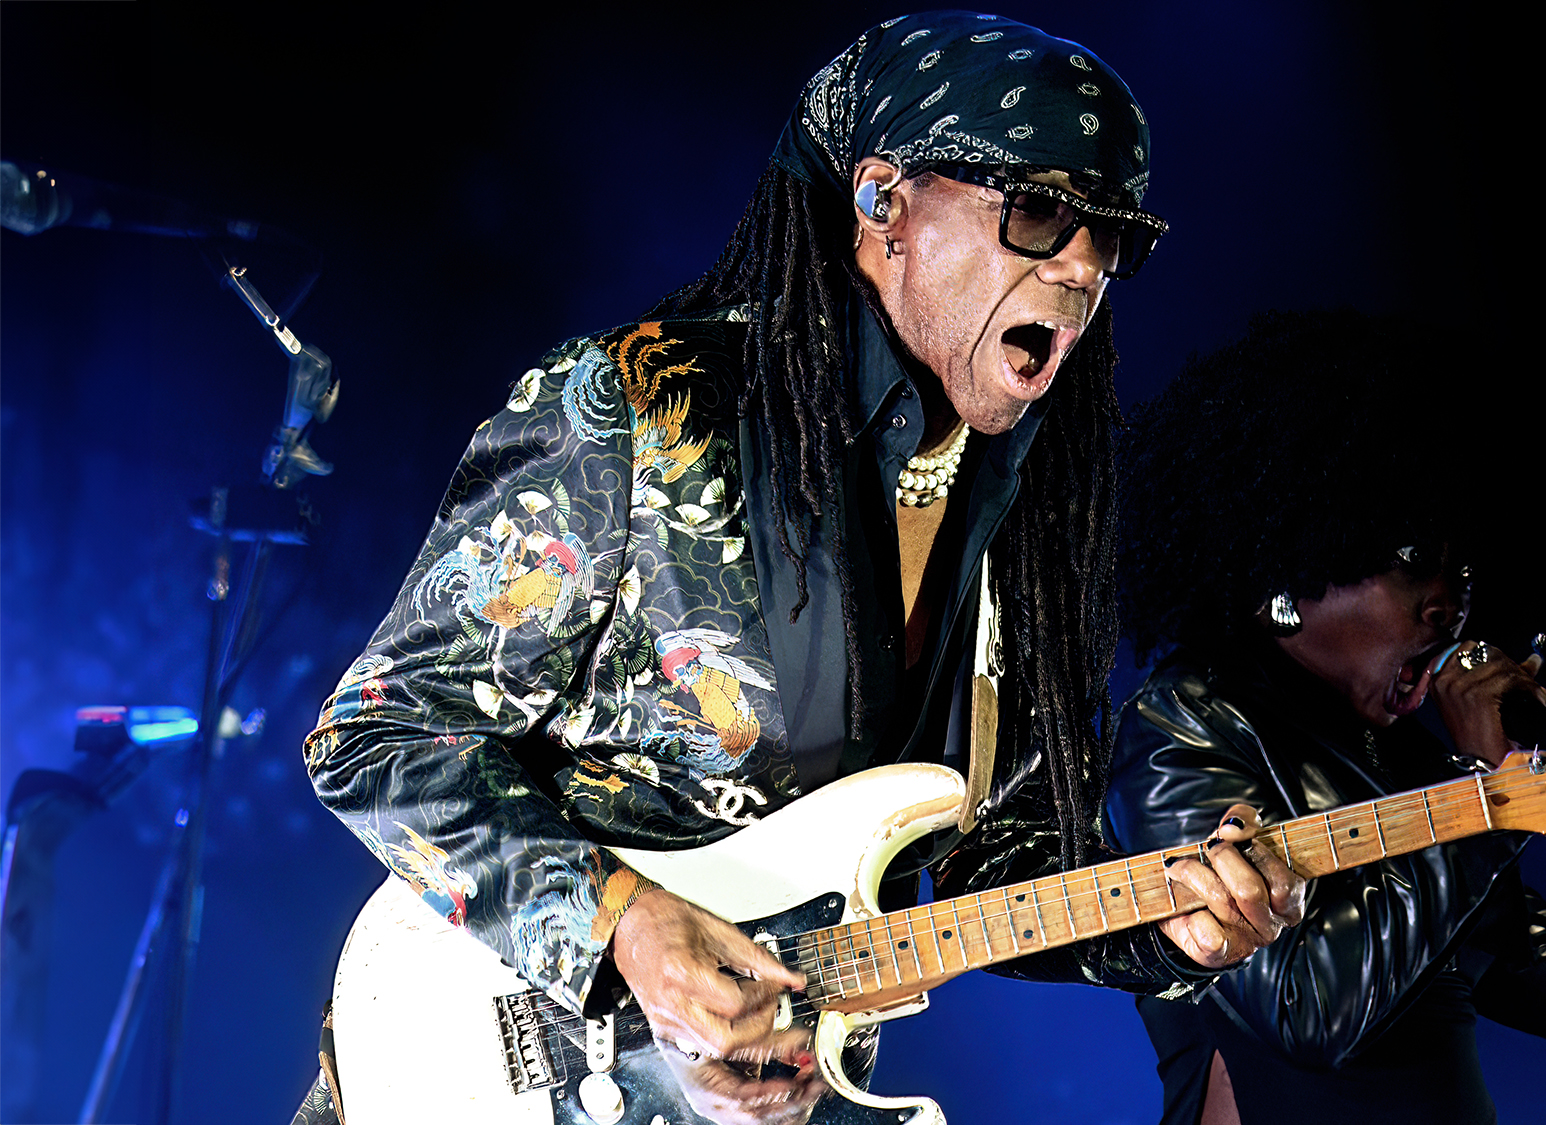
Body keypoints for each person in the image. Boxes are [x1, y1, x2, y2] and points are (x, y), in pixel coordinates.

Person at [295, 13, 1301, 1125]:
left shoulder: (1027, 510)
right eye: (1039, 212)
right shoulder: (648, 410)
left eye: (1110, 237)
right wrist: (621, 919)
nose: (1078, 266)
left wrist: (1162, 927)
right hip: (499, 1062)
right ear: (884, 204)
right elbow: (377, 736)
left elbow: (978, 864)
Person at [1105, 309, 1546, 1125]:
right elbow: (1304, 1007)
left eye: (1461, 563)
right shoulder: (1185, 726)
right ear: (1291, 572)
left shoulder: (1402, 757)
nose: (1453, 599)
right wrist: (1489, 802)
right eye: (1414, 561)